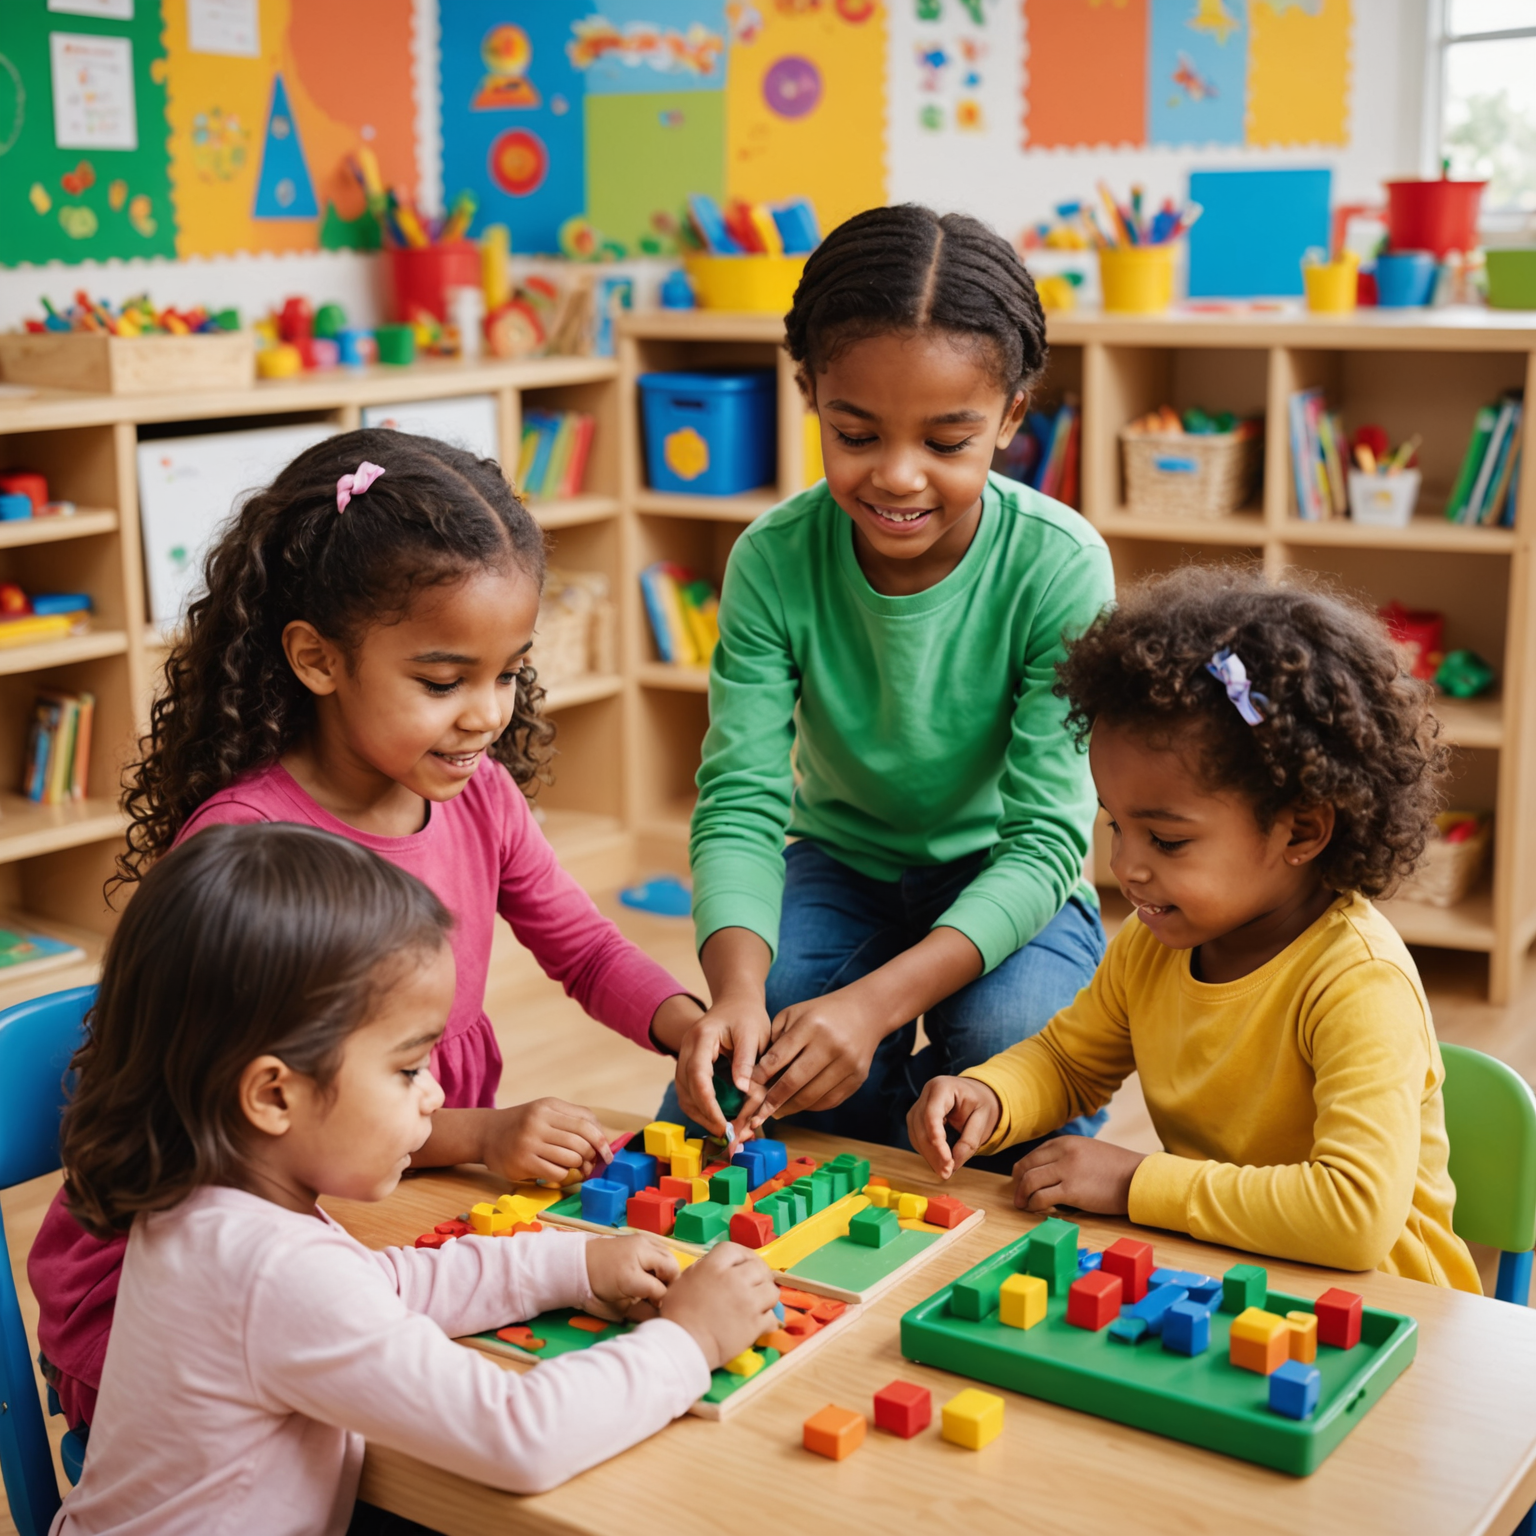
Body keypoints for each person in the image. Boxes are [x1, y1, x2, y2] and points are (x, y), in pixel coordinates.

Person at [31, 428, 704, 1429]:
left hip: (361, 1196)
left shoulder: (476, 797)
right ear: (316, 658)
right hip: (189, 1284)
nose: (485, 716)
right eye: (442, 682)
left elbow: (582, 941)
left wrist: (686, 1024)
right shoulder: (252, 851)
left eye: (508, 673)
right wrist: (478, 1131)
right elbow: (245, 1128)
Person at [49, 823, 776, 1536]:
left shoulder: (209, 1197)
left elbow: (385, 1286)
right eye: (407, 1070)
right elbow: (518, 1435)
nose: (435, 1095)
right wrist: (688, 1341)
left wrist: (573, 1263)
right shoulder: (270, 1269)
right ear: (273, 1096)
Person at [666, 203, 1114, 1154]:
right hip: (842, 863)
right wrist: (738, 991)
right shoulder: (773, 559)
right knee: (772, 1032)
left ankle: (908, 1106)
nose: (899, 477)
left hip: (1007, 873)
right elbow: (741, 801)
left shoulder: (1060, 563)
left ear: (1011, 419)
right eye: (856, 434)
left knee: (1009, 1044)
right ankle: (872, 1126)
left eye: (946, 442)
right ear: (810, 396)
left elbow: (1044, 842)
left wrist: (869, 1010)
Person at [909, 568, 1481, 1290]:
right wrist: (991, 1095)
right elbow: (1068, 1061)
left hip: (1384, 1315)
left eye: (1167, 841)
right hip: (1229, 1275)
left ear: (1300, 828)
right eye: (1117, 826)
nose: (1126, 867)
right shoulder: (1153, 946)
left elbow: (1354, 1216)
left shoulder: (1359, 984)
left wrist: (1133, 1183)